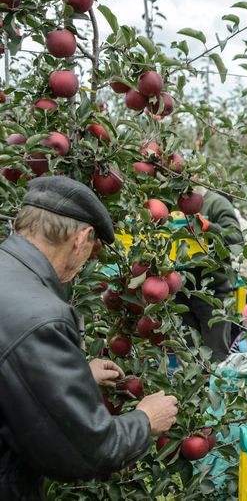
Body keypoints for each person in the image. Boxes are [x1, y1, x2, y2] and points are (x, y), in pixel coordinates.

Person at [0, 176, 178, 499]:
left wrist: (75, 376)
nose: (84, 264)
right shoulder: (43, 317)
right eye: (90, 253)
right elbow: (86, 448)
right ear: (81, 239)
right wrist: (145, 419)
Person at [176, 186, 244, 362]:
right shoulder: (173, 204)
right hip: (180, 294)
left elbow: (237, 239)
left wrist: (210, 228)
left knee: (216, 356)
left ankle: (216, 389)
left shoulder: (215, 204)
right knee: (188, 356)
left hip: (213, 293)